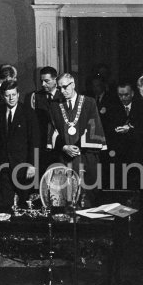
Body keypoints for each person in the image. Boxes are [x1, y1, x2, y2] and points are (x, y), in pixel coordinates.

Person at [47, 73, 106, 207]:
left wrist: (77, 147)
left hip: (85, 155)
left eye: (65, 87)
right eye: (59, 88)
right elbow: (53, 130)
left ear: (73, 84)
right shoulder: (55, 105)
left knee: (87, 197)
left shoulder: (89, 102)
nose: (62, 91)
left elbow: (94, 127)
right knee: (66, 195)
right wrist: (64, 147)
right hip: (65, 157)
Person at [0, 80, 39, 207]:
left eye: (13, 94)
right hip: (4, 167)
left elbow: (35, 141)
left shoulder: (28, 113)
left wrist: (32, 165)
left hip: (23, 166)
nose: (11, 98)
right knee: (5, 204)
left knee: (25, 203)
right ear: (3, 96)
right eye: (8, 95)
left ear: (18, 94)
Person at [106, 82, 143, 189]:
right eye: (120, 95)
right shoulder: (112, 108)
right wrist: (116, 129)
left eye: (126, 95)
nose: (123, 98)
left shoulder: (142, 106)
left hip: (136, 153)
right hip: (119, 154)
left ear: (132, 93)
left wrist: (130, 129)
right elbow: (107, 128)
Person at [27, 66, 64, 172]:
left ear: (55, 80)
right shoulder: (36, 97)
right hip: (42, 147)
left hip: (60, 147)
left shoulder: (63, 96)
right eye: (41, 81)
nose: (43, 84)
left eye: (46, 81)